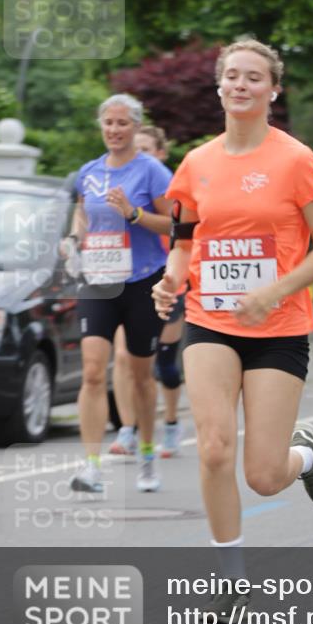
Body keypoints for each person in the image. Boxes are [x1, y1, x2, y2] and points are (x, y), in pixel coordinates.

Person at [151, 39, 313, 575]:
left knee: (262, 474)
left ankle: (306, 457)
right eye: (232, 75)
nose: (241, 84)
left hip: (279, 327)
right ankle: (228, 576)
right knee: (213, 447)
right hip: (210, 321)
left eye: (254, 77)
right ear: (219, 86)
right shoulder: (196, 164)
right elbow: (185, 242)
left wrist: (273, 292)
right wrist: (170, 281)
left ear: (273, 90)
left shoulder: (295, 160)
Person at [62, 94, 172, 493]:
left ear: (136, 126)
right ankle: (91, 467)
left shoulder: (152, 171)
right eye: (108, 122)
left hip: (142, 280)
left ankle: (146, 454)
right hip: (99, 278)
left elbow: (176, 226)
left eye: (123, 123)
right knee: (93, 370)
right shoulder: (89, 172)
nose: (114, 130)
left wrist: (134, 213)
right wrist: (74, 238)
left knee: (141, 376)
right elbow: (82, 213)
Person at [109, 125, 186, 459]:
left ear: (161, 154)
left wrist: (137, 215)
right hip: (133, 282)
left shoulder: (170, 189)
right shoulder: (124, 189)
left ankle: (170, 422)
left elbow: (181, 231)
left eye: (146, 150)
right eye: (134, 149)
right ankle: (128, 429)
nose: (138, 157)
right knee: (125, 358)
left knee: (164, 365)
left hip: (171, 280)